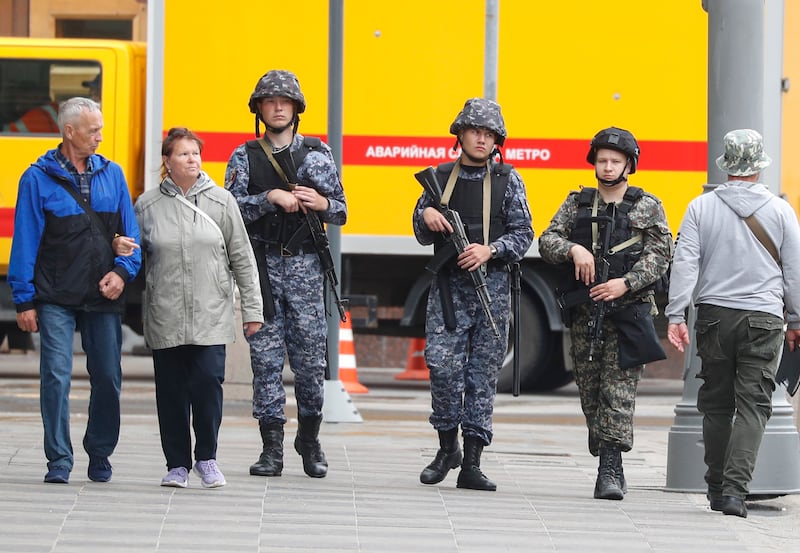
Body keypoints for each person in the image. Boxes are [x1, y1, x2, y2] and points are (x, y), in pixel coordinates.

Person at [666, 129, 800, 518]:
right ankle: (736, 494)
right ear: (758, 167)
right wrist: (796, 318)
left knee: (716, 404)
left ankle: (716, 485)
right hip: (763, 318)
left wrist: (677, 314)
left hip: (713, 318)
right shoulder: (780, 211)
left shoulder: (700, 208)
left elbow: (686, 263)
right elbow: (793, 272)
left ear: (726, 165)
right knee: (754, 406)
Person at [8, 97, 142, 484]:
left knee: (108, 377)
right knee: (55, 376)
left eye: (100, 129)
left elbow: (130, 237)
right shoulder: (36, 178)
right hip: (54, 297)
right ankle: (59, 460)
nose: (100, 137)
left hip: (104, 295)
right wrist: (23, 299)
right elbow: (25, 242)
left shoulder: (113, 175)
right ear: (69, 132)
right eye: (93, 130)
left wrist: (122, 272)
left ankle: (99, 453)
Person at [225, 70, 346, 479]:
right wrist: (268, 198)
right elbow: (230, 209)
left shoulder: (317, 153)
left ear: (296, 109)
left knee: (312, 364)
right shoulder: (244, 156)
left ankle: (309, 441)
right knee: (265, 362)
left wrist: (321, 202)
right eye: (270, 101)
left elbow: (343, 210)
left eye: (285, 101)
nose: (277, 107)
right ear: (259, 109)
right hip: (261, 269)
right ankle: (271, 447)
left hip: (308, 273)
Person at [539, 127, 672, 500]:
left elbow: (661, 254)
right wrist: (573, 251)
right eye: (602, 160)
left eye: (615, 161)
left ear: (629, 164)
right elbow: (547, 240)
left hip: (628, 312)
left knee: (618, 389)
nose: (608, 167)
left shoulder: (648, 205)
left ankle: (610, 468)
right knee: (590, 392)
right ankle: (604, 449)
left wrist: (626, 283)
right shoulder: (577, 203)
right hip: (585, 311)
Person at [413, 98, 533, 492]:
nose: (481, 139)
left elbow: (523, 234)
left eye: (488, 134)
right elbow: (419, 228)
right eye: (474, 131)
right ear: (460, 135)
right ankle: (447, 448)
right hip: (448, 289)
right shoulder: (440, 177)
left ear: (496, 140)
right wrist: (427, 215)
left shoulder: (507, 180)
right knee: (443, 368)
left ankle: (473, 462)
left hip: (492, 292)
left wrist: (489, 249)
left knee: (481, 377)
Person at [135, 127, 263, 489]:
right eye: (184, 154)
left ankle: (206, 457)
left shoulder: (222, 202)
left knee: (208, 383)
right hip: (166, 311)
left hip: (211, 311)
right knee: (171, 390)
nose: (192, 159)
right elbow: (135, 258)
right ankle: (177, 464)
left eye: (196, 153)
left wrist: (252, 310)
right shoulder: (147, 206)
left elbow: (242, 258)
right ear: (167, 161)